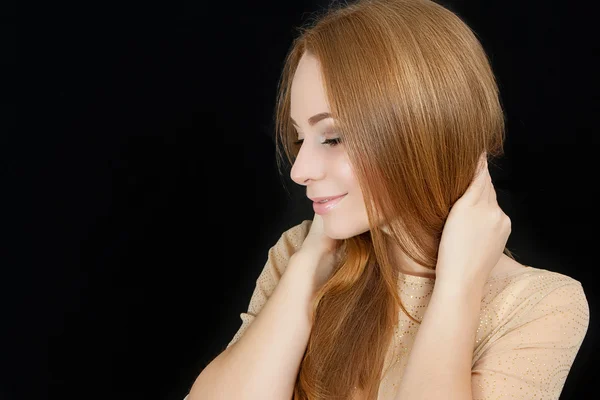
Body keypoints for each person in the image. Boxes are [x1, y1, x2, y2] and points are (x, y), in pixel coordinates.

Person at [184, 0, 590, 399]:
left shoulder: (539, 305)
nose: (299, 169)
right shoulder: (297, 254)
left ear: (422, 132)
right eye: (298, 138)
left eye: (332, 137)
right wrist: (312, 260)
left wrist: (456, 288)